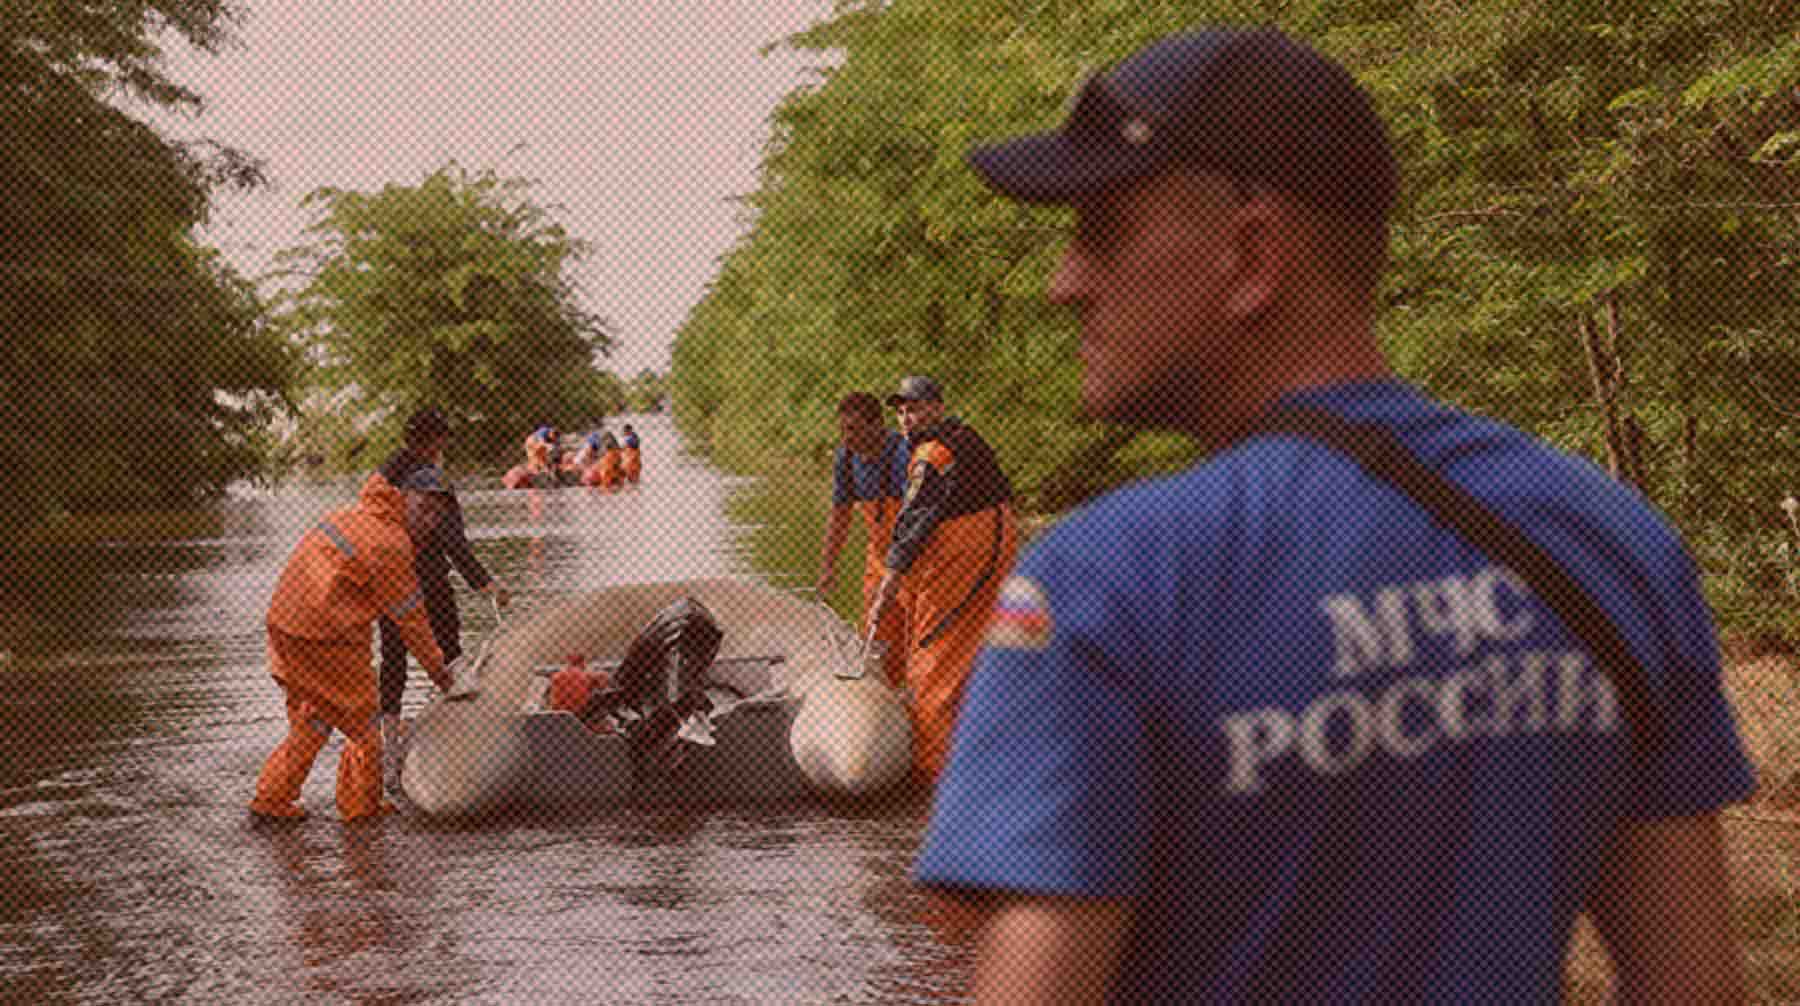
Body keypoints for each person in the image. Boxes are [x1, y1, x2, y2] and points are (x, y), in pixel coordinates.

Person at [914, 27, 1753, 1003]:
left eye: (1103, 232)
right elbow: (1694, 986)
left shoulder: (1108, 585)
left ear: (1251, 255)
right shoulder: (1615, 541)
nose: (1067, 281)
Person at [250, 464, 458, 822]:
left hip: (284, 627)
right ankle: (362, 812)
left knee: (312, 719)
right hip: (325, 638)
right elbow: (411, 621)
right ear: (403, 497)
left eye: (437, 515)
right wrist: (443, 675)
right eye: (424, 508)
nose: (429, 520)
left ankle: (272, 800)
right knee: (365, 728)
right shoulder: (391, 544)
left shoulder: (352, 516)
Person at [865, 376, 1019, 785]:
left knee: (930, 668)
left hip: (965, 553)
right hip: (997, 545)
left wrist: (887, 587)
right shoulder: (966, 437)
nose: (905, 419)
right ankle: (989, 761)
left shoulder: (931, 454)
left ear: (936, 408)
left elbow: (914, 520)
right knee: (976, 657)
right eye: (899, 411)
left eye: (913, 409)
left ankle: (933, 783)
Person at [374, 409, 510, 777]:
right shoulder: (436, 483)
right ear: (437, 442)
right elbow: (454, 543)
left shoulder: (381, 478)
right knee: (449, 655)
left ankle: (389, 751)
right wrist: (487, 584)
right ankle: (463, 741)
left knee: (393, 662)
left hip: (388, 579)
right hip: (429, 581)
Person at [815, 391, 913, 686]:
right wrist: (828, 566)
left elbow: (920, 520)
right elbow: (840, 516)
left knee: (920, 642)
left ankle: (926, 711)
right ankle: (885, 698)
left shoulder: (903, 455)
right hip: (879, 561)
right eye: (843, 429)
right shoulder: (845, 459)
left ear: (877, 425)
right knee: (875, 639)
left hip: (916, 561)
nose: (847, 437)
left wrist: (899, 574)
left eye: (854, 429)